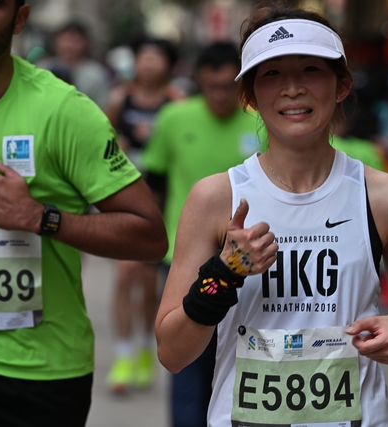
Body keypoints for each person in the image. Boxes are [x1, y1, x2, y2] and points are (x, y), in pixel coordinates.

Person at [155, 5, 388, 427]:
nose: (292, 89)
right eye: (272, 74)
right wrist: (225, 273)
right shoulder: (215, 198)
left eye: (311, 70)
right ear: (250, 96)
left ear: (341, 85)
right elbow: (172, 353)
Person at [0, 1, 168, 427]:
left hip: (42, 373)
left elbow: (149, 236)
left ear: (20, 18)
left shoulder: (64, 111)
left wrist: (43, 218)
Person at [143, 41, 263, 427]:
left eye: (228, 86)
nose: (220, 95)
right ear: (198, 80)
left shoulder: (260, 123)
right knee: (187, 363)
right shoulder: (174, 118)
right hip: (185, 256)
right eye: (212, 86)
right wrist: (149, 245)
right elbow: (154, 183)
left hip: (247, 262)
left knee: (241, 360)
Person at [103, 35, 177, 393]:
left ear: (168, 64)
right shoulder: (121, 99)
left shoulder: (175, 104)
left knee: (149, 287)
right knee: (124, 275)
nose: (149, 63)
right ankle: (122, 357)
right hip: (125, 201)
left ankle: (146, 349)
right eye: (143, 55)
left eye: (156, 56)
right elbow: (102, 142)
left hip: (161, 204)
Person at [38, 20, 112, 110]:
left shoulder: (96, 74)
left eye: (75, 41)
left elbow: (103, 107)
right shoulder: (43, 68)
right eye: (66, 39)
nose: (70, 46)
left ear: (86, 43)